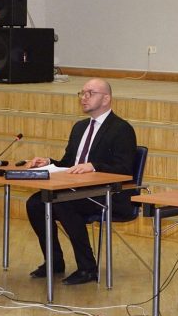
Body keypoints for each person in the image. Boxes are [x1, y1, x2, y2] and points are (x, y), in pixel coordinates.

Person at [25, 78, 136, 285]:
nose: (83, 98)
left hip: (106, 193)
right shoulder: (79, 127)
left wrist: (94, 166)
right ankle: (54, 262)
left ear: (106, 99)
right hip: (75, 189)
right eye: (82, 93)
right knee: (35, 203)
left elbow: (124, 169)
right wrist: (49, 162)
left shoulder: (121, 129)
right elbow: (69, 164)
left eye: (90, 93)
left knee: (63, 203)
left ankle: (87, 268)